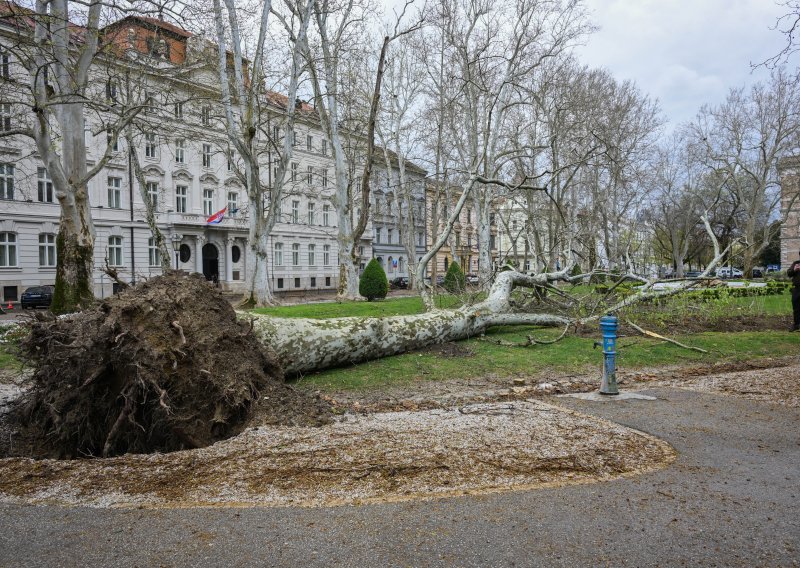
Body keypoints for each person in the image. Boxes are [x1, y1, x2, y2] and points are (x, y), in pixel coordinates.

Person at [788, 251, 800, 332]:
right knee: (796, 308)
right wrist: (794, 270)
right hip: (797, 289)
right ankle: (796, 325)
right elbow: (789, 273)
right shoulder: (796, 263)